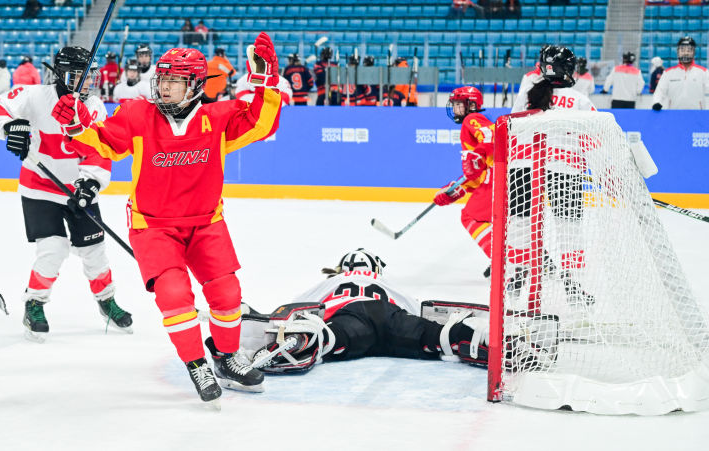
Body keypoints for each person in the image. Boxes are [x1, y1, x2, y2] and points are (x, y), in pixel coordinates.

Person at [50, 36, 283, 406]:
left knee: (227, 294)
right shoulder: (137, 115)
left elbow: (261, 124)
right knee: (174, 295)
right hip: (153, 226)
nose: (163, 86)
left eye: (174, 80)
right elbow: (105, 143)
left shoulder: (217, 119)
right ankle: (196, 364)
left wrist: (266, 79)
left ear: (195, 84)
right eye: (162, 79)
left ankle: (226, 358)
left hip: (206, 223)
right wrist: (77, 126)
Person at [0, 46, 133, 340]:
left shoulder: (95, 106)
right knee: (53, 249)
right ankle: (34, 303)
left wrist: (91, 183)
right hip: (40, 187)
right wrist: (10, 127)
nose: (88, 83)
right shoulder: (34, 96)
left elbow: (100, 151)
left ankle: (106, 301)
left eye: (91, 76)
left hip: (79, 188)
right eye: (80, 76)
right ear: (62, 75)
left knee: (94, 250)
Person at [239, 250, 506, 376]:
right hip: (390, 316)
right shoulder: (386, 282)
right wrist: (432, 328)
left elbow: (298, 308)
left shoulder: (333, 280)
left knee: (333, 337)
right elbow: (418, 311)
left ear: (343, 269)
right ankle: (475, 337)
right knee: (436, 336)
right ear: (377, 269)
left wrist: (267, 319)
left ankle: (308, 342)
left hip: (351, 317)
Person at [509, 45, 596, 307]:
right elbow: (594, 138)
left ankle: (515, 280)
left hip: (523, 168)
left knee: (520, 225)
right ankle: (573, 286)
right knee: (569, 230)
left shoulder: (528, 94)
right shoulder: (579, 100)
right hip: (564, 170)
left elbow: (511, 126)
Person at [432, 88, 494, 265]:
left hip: (499, 176)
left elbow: (492, 136)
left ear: (471, 105)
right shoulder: (472, 124)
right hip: (507, 176)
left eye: (459, 104)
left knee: (471, 216)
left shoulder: (472, 119)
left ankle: (503, 260)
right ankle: (530, 257)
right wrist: (457, 189)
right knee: (500, 221)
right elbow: (477, 172)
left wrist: (478, 155)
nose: (454, 109)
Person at [652, 37, 708, 110]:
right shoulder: (668, 73)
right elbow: (660, 91)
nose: (686, 53)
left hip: (697, 114)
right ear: (678, 52)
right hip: (674, 114)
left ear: (694, 52)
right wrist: (657, 102)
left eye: (689, 50)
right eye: (682, 50)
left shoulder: (703, 72)